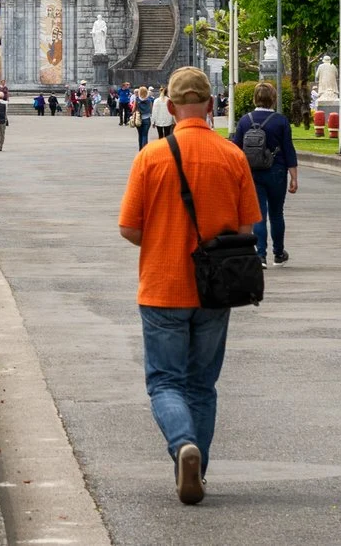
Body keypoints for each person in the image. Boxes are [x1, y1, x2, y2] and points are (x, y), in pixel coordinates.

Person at [117, 66, 260, 506]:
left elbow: (129, 228)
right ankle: (200, 468)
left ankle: (183, 447)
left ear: (172, 107)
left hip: (163, 284)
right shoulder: (232, 155)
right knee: (202, 385)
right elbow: (247, 226)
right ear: (211, 104)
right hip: (216, 289)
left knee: (165, 383)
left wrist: (162, 236)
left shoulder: (151, 157)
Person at [231, 84, 299, 264]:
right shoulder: (281, 121)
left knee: (259, 214)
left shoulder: (245, 120)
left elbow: (236, 149)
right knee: (277, 213)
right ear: (273, 98)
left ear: (255, 98)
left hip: (252, 171)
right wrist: (294, 176)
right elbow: (288, 150)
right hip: (276, 171)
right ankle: (278, 253)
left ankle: (260, 255)